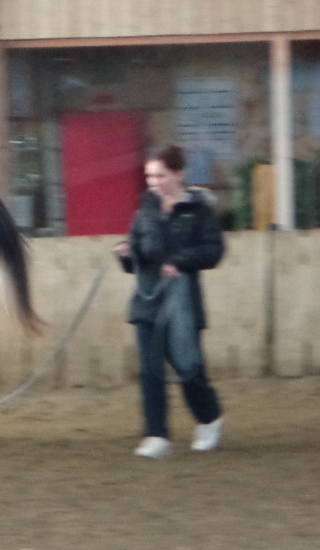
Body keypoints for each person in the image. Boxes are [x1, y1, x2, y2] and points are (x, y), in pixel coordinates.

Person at [114, 145, 224, 459]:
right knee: (150, 369)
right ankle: (156, 434)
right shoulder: (145, 210)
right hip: (148, 299)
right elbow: (136, 250)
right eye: (150, 175)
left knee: (187, 367)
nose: (154, 181)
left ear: (178, 174)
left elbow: (214, 250)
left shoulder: (198, 211)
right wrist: (125, 253)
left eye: (160, 175)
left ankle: (209, 417)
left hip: (182, 300)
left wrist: (181, 261)